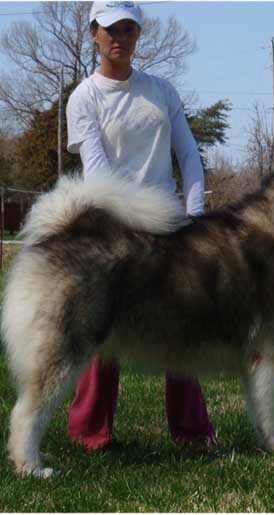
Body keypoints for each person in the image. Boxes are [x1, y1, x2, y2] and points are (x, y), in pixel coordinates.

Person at [65, 1, 216, 450]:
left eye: (129, 29)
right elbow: (96, 172)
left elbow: (189, 156)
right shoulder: (84, 98)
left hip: (170, 228)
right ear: (93, 33)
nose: (120, 38)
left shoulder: (162, 91)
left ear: (138, 35)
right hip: (111, 229)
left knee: (180, 332)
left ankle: (192, 434)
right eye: (110, 29)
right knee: (101, 333)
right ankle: (90, 436)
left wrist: (193, 216)